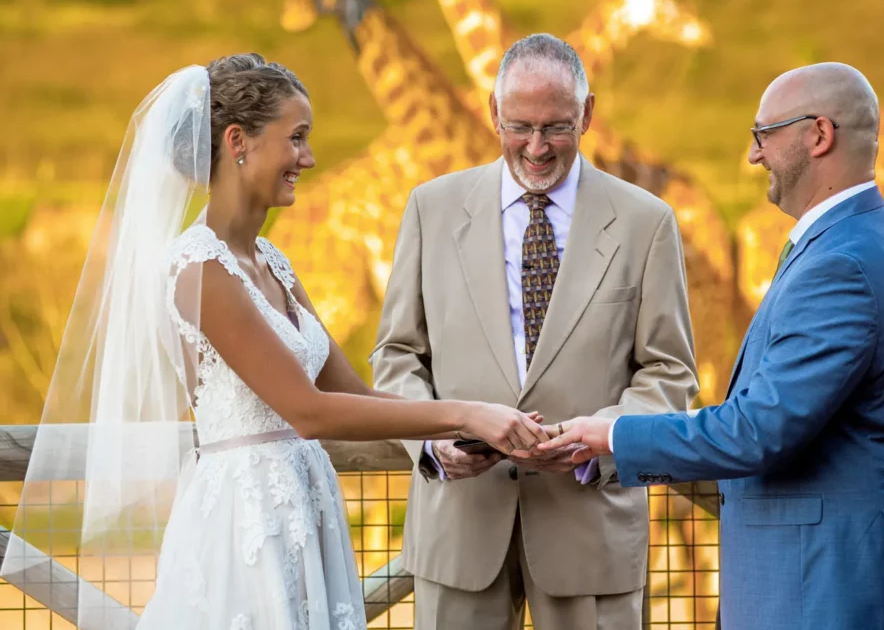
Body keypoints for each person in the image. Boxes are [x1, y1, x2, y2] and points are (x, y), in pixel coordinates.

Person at [0, 53, 547, 630]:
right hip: (247, 522)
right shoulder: (199, 270)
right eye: (297, 138)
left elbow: (352, 392)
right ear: (238, 141)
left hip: (307, 507)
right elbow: (308, 411)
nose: (308, 159)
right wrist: (469, 412)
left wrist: (460, 433)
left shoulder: (273, 262)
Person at [539, 63, 884, 629]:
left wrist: (610, 434)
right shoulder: (851, 240)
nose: (754, 156)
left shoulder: (840, 265)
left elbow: (758, 430)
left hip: (829, 586)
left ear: (819, 135)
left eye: (764, 135)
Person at [370, 33, 700, 630]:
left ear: (589, 114)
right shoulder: (429, 208)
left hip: (591, 530)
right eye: (520, 126)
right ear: (493, 112)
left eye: (557, 126)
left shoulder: (648, 222)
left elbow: (670, 371)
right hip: (459, 530)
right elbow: (397, 355)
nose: (538, 147)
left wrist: (601, 440)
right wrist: (431, 445)